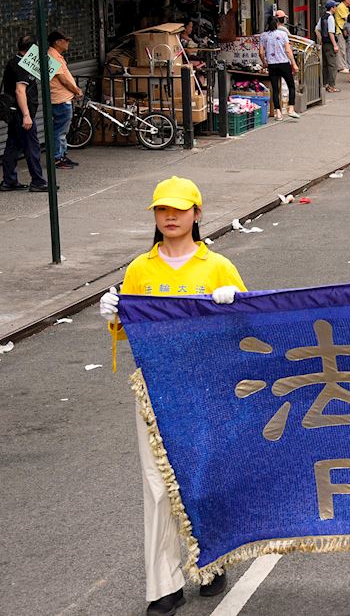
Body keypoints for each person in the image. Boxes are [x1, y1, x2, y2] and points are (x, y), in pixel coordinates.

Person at [99, 176, 244, 615]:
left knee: (202, 478)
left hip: (206, 389)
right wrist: (113, 314)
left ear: (197, 214)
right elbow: (128, 332)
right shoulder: (141, 270)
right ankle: (163, 585)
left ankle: (212, 557)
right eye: (163, 210)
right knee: (157, 486)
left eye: (180, 209)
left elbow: (249, 327)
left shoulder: (218, 266)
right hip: (156, 390)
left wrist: (236, 301)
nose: (171, 217)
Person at [2, 35, 50, 192]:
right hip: (21, 114)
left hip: (15, 113)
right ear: (31, 49)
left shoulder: (13, 62)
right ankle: (37, 181)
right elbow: (20, 91)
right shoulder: (22, 66)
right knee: (32, 147)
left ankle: (9, 181)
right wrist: (26, 115)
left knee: (12, 146)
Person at [47, 30, 84, 167]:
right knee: (60, 130)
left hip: (64, 99)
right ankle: (57, 157)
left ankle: (62, 155)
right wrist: (76, 90)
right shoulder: (52, 57)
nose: (68, 43)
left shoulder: (57, 56)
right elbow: (63, 80)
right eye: (66, 40)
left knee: (63, 130)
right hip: (60, 100)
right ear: (58, 42)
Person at [260, 14, 300, 120]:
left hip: (272, 65)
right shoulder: (282, 34)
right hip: (284, 63)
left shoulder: (263, 36)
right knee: (291, 85)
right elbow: (288, 50)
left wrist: (264, 62)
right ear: (277, 23)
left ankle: (278, 113)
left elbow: (261, 52)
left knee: (275, 88)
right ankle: (290, 108)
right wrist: (294, 63)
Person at [319, 0, 341, 92]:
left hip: (324, 43)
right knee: (332, 65)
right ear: (332, 8)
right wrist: (335, 45)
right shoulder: (330, 18)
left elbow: (316, 29)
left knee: (325, 65)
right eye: (335, 6)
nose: (336, 8)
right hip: (330, 43)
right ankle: (332, 86)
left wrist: (321, 40)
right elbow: (331, 32)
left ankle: (324, 84)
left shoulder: (323, 17)